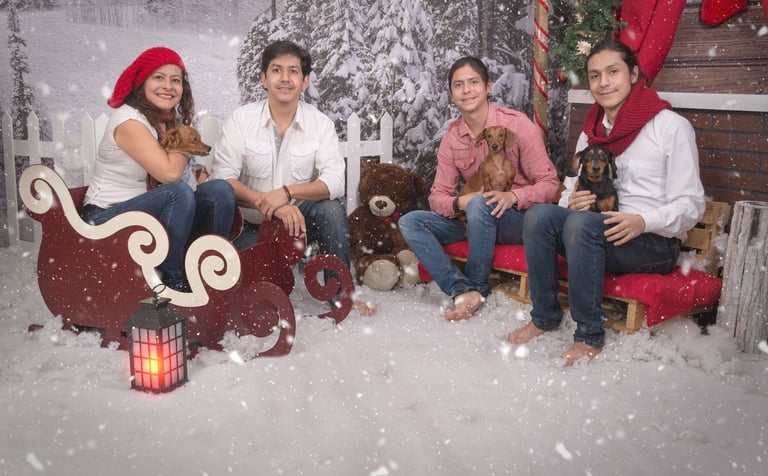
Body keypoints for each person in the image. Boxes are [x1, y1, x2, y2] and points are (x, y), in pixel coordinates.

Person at [507, 39, 706, 365]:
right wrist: (573, 200)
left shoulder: (670, 127)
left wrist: (643, 221)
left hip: (651, 242)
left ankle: (588, 335)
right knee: (540, 215)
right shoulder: (592, 132)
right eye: (595, 75)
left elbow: (691, 203)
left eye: (613, 72)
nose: (603, 82)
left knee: (583, 225)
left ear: (634, 74)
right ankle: (544, 316)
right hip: (594, 231)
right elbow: (571, 185)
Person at [212, 40, 374, 315]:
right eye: (276, 70)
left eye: (293, 72)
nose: (285, 78)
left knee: (331, 209)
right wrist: (271, 203)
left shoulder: (320, 124)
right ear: (264, 79)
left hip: (300, 223)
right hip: (253, 225)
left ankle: (340, 294)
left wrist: (287, 193)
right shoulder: (241, 120)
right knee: (249, 300)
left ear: (305, 81)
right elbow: (223, 180)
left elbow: (334, 181)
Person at [399, 56, 560, 321]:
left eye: (473, 82)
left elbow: (551, 185)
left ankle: (477, 284)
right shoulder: (452, 138)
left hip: (516, 219)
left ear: (488, 87)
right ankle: (462, 289)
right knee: (411, 222)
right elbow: (438, 195)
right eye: (458, 85)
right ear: (452, 94)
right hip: (472, 217)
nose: (466, 90)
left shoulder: (517, 125)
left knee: (478, 204)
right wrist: (458, 204)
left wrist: (513, 196)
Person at [81, 46, 236, 292]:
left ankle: (206, 266)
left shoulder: (166, 123)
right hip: (105, 217)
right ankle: (171, 282)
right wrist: (183, 140)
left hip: (148, 215)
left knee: (220, 190)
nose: (168, 86)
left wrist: (184, 145)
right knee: (178, 192)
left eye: (176, 80)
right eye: (158, 77)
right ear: (141, 83)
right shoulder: (129, 121)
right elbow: (169, 174)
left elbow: (182, 171)